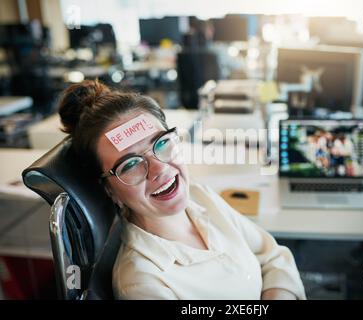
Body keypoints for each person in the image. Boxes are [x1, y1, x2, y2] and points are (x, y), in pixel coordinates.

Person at [58, 79, 306, 300]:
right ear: (108, 189)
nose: (159, 169)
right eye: (130, 164)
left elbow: (272, 256)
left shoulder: (200, 196)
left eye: (161, 143)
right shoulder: (142, 284)